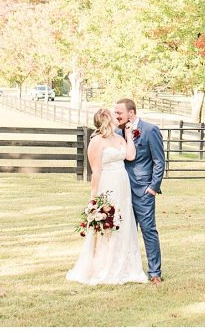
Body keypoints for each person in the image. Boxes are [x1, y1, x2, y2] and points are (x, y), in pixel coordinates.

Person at [66, 109, 147, 285]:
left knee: (124, 221)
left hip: (122, 184)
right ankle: (104, 266)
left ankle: (127, 265)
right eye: (113, 116)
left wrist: (128, 135)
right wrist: (93, 198)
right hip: (107, 184)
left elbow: (130, 155)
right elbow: (96, 171)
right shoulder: (96, 142)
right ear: (106, 120)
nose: (117, 118)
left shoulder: (119, 138)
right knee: (108, 222)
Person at [114, 98, 165, 284]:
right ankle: (126, 270)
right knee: (124, 232)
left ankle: (155, 273)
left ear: (131, 113)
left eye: (119, 112)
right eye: (115, 112)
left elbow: (159, 161)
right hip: (122, 190)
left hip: (143, 191)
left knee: (148, 230)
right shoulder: (116, 132)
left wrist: (153, 187)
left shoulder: (150, 130)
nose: (116, 115)